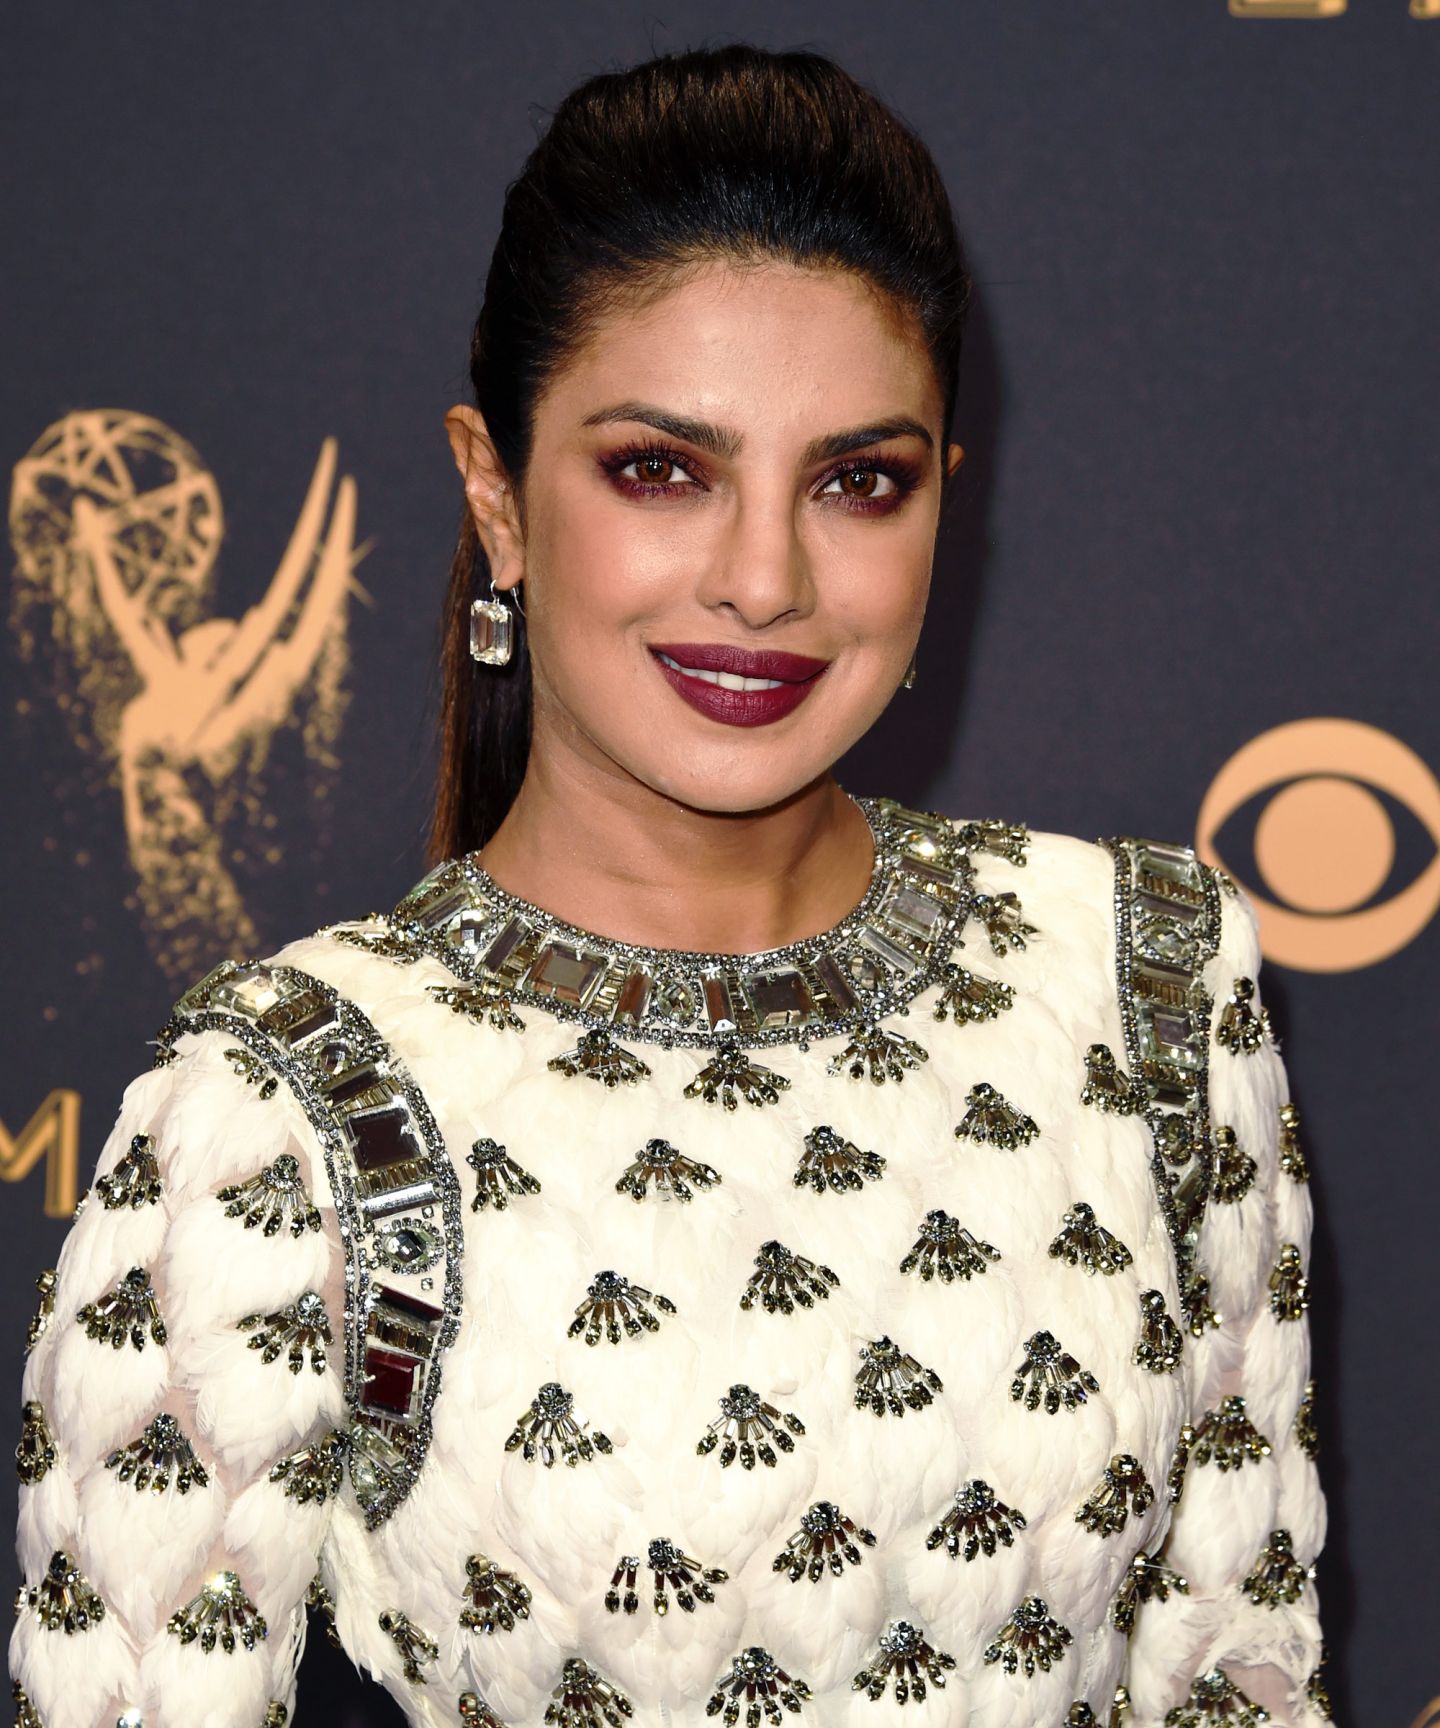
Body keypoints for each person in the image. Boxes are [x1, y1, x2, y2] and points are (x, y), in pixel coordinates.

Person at [10, 43, 1332, 1728]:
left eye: (860, 481)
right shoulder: (281, 1115)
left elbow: (1239, 1672)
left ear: (944, 508)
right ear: (499, 499)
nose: (765, 579)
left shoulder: (1150, 976)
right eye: (662, 470)